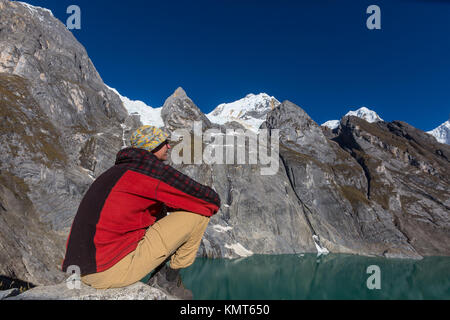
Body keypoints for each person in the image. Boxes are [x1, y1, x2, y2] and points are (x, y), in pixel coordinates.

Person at [61, 125, 221, 299]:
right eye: (164, 143)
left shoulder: (114, 172)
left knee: (161, 208)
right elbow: (210, 200)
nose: (168, 146)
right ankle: (168, 280)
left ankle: (163, 275)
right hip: (108, 271)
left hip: (81, 269)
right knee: (198, 215)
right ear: (152, 146)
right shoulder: (150, 171)